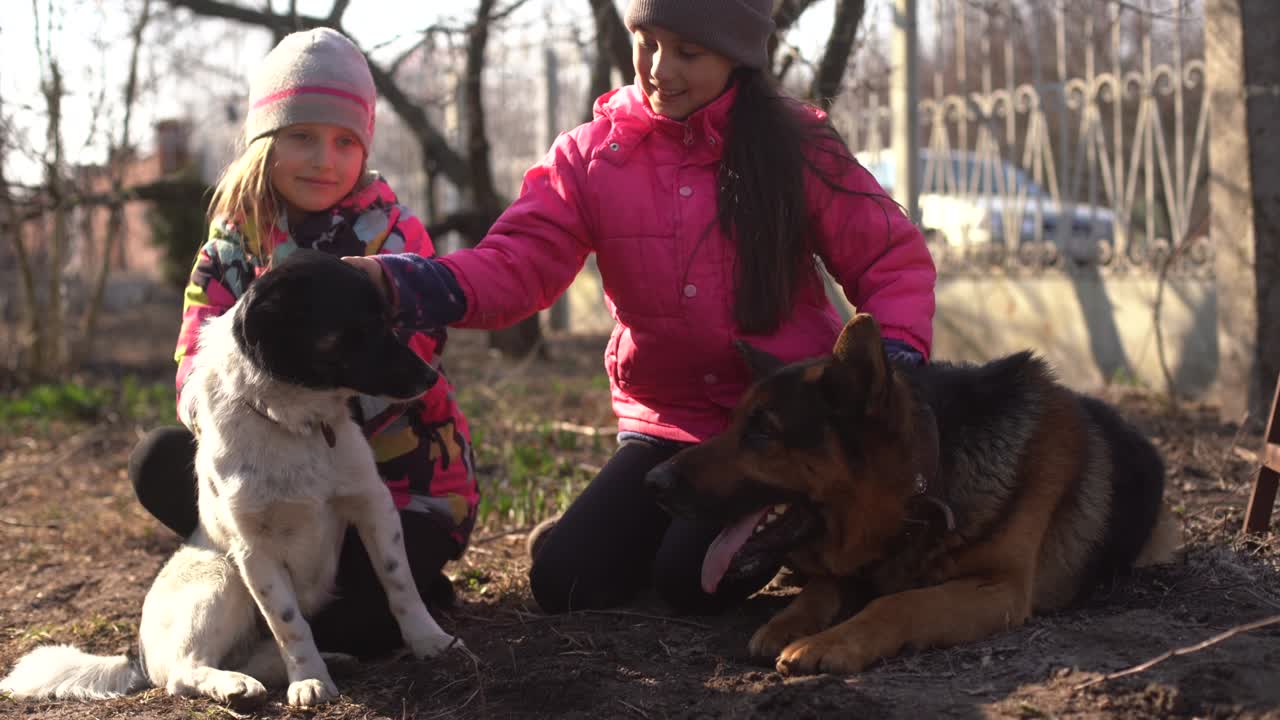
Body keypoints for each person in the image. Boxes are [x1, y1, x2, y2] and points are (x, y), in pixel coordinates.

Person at [347, 0, 936, 616]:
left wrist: (894, 363)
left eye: (689, 52)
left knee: (689, 580)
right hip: (665, 425)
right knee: (565, 581)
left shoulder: (795, 144)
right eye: (647, 41)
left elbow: (890, 259)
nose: (659, 68)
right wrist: (407, 283)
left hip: (781, 429)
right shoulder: (591, 157)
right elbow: (517, 263)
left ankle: (782, 524)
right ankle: (626, 533)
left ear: (737, 56)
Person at [127, 27, 479, 658]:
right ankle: (259, 568)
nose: (324, 159)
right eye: (302, 137)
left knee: (356, 631)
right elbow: (195, 356)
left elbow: (412, 353)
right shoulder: (229, 248)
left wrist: (313, 401)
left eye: (345, 141)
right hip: (270, 467)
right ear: (265, 142)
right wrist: (232, 423)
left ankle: (391, 587)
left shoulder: (395, 237)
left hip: (398, 484)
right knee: (158, 459)